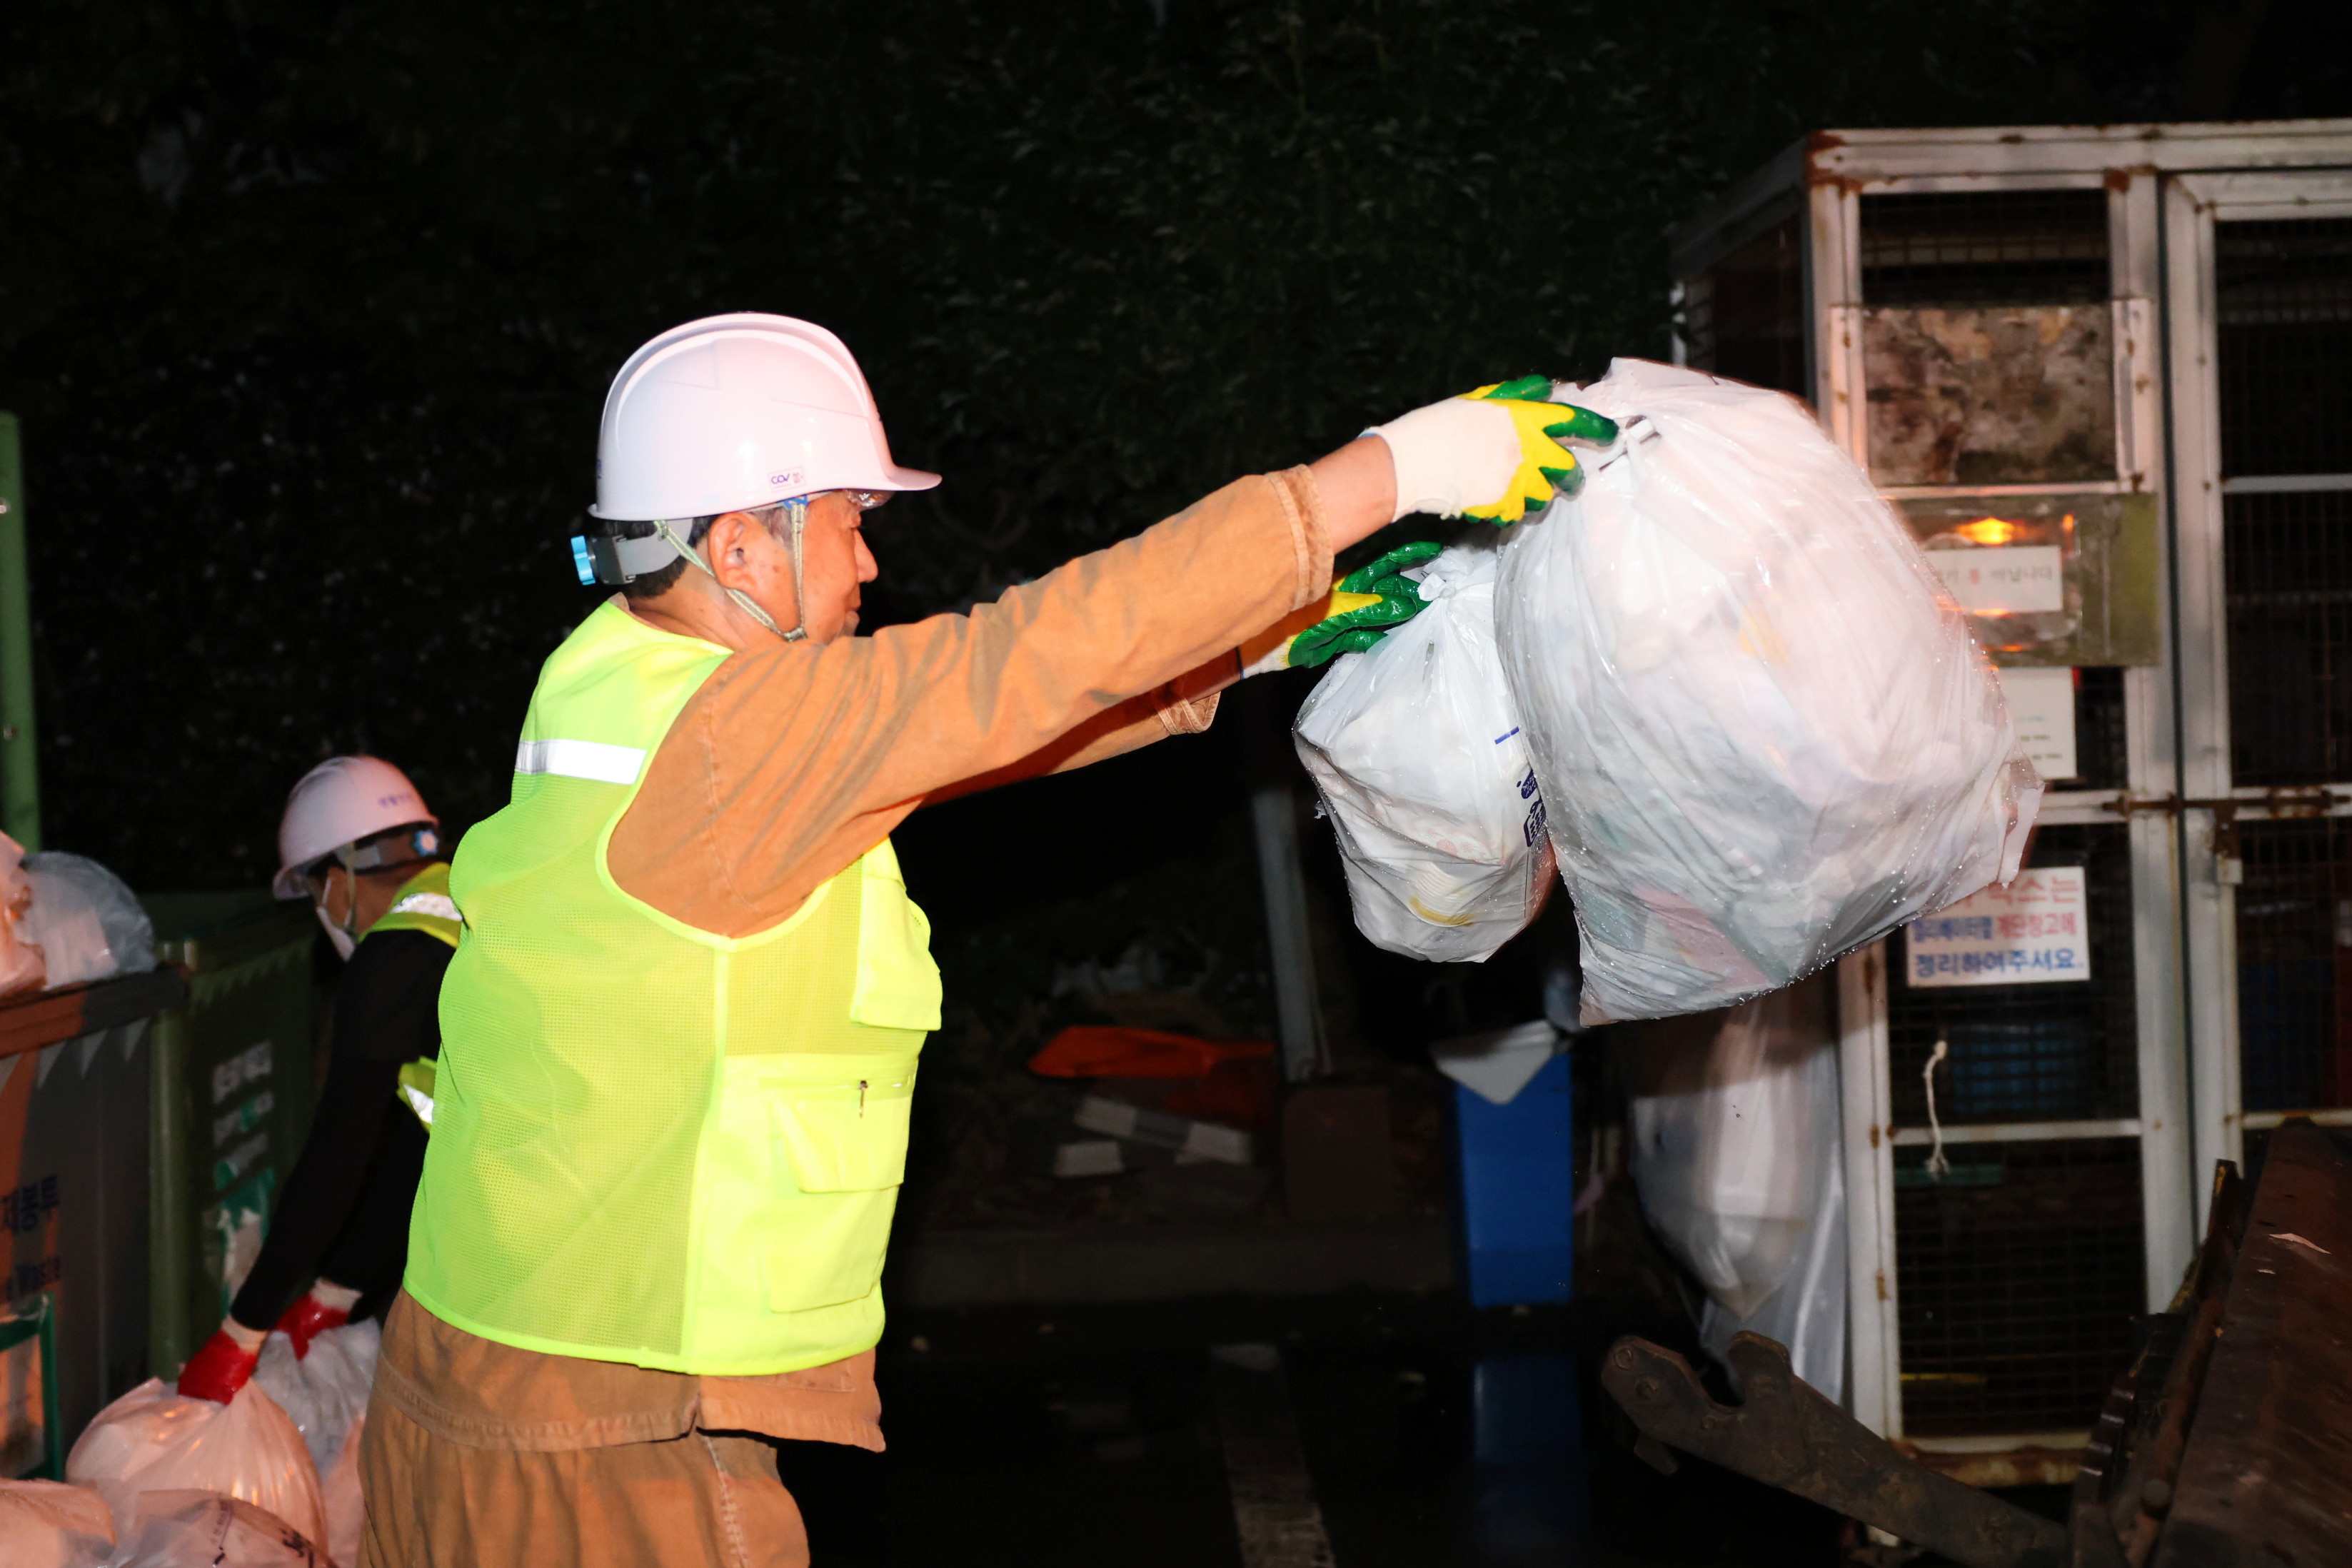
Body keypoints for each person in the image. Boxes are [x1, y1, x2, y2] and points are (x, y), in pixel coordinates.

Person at [356, 315, 1613, 1567]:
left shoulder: (619, 684)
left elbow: (977, 736)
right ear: (737, 544)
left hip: (490, 1371)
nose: (866, 565)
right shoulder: (730, 739)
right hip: (600, 1439)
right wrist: (1400, 468)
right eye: (846, 522)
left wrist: (1250, 646)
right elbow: (1019, 660)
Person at [174, 756, 461, 1402]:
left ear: (336, 881)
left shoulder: (396, 953)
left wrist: (241, 1331)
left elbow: (338, 1158)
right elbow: (423, 1146)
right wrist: (340, 1287)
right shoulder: (476, 900)